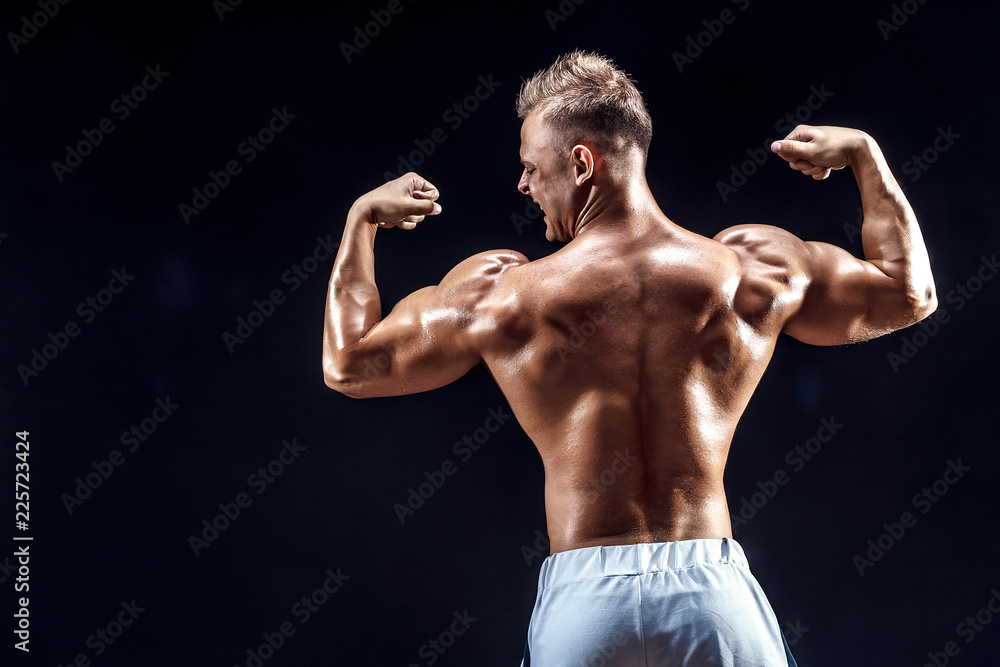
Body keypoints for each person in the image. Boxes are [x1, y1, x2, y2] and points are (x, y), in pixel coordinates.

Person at [322, 51, 936, 666]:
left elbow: (348, 364)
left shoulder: (502, 294)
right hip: (710, 593)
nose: (525, 185)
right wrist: (863, 155)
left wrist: (361, 222)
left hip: (586, 606)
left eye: (533, 168)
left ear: (581, 162)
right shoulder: (751, 271)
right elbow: (911, 294)